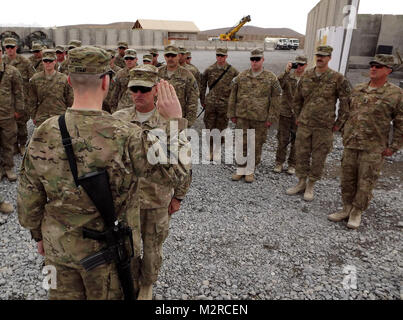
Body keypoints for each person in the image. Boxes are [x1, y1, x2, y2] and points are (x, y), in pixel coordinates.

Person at [17, 46, 190, 300]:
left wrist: (38, 235)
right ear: (106, 82)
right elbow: (177, 172)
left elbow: (28, 199)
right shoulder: (126, 133)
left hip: (58, 252)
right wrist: (175, 121)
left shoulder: (44, 131)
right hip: (108, 257)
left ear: (68, 80)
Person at [113, 64, 191, 300]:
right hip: (127, 200)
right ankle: (131, 280)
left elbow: (184, 162)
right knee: (128, 245)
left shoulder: (168, 120)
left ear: (156, 90)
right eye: (134, 89)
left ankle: (147, 284)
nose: (138, 94)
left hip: (157, 198)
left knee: (152, 247)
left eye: (144, 89)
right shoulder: (119, 118)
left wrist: (178, 196)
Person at [328, 54, 402, 229]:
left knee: (366, 180)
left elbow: (400, 122)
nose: (373, 69)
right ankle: (346, 208)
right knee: (347, 178)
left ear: (388, 71)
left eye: (379, 66)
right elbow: (348, 112)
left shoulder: (395, 94)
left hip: (373, 147)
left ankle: (357, 212)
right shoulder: (359, 89)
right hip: (352, 143)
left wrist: (394, 146)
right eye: (372, 65)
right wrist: (343, 131)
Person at [286, 45, 351, 201]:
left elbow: (345, 102)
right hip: (305, 124)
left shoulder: (337, 78)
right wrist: (298, 115)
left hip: (324, 126)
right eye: (318, 55)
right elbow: (297, 99)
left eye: (323, 55)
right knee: (301, 153)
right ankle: (301, 182)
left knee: (319, 157)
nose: (320, 58)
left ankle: (311, 185)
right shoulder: (307, 76)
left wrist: (339, 123)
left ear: (329, 58)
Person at [227, 48, 281, 183]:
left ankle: (250, 170)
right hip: (243, 117)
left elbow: (276, 99)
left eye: (258, 59)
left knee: (256, 145)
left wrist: (272, 118)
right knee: (241, 143)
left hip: (260, 118)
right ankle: (240, 168)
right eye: (253, 59)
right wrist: (231, 113)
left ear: (263, 60)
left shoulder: (271, 78)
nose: (255, 62)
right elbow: (233, 95)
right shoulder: (242, 76)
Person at [200, 48, 239, 160]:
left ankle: (217, 150)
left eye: (222, 56)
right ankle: (210, 150)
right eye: (218, 55)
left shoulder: (233, 71)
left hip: (224, 105)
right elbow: (202, 86)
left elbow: (238, 87)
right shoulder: (209, 70)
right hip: (210, 104)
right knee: (209, 127)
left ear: (226, 56)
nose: (220, 58)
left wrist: (234, 103)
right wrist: (202, 100)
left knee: (221, 128)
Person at [274, 56, 308, 175]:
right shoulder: (288, 77)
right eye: (297, 64)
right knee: (282, 138)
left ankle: (292, 164)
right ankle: (279, 162)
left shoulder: (308, 79)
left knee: (296, 140)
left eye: (302, 65)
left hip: (300, 115)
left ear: (306, 66)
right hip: (285, 113)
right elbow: (277, 85)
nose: (299, 67)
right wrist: (286, 71)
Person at [3, 37, 35, 155]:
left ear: (16, 47)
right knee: (9, 125)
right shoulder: (2, 62)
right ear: (5, 48)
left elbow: (33, 78)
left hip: (22, 98)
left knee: (21, 123)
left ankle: (22, 144)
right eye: (8, 47)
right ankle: (13, 146)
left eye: (12, 47)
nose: (10, 49)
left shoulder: (24, 61)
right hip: (6, 99)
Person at [27, 49, 73, 126]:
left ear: (55, 61)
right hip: (42, 117)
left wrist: (69, 115)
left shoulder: (64, 79)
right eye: (45, 61)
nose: (48, 63)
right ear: (42, 62)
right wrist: (33, 116)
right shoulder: (36, 78)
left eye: (50, 61)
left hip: (60, 116)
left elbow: (70, 99)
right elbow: (32, 99)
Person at [158, 45, 199, 127]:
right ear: (164, 57)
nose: (170, 58)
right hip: (159, 119)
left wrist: (188, 122)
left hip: (178, 118)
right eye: (167, 56)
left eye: (173, 55)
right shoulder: (157, 73)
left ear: (178, 56)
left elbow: (193, 100)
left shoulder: (187, 75)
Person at [0, 45, 24, 182]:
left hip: (7, 115)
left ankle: (8, 167)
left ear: (2, 53)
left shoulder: (12, 71)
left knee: (8, 143)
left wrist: (18, 110)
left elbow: (19, 92)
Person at [109, 49, 138, 113]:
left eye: (131, 58)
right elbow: (115, 93)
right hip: (122, 108)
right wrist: (113, 109)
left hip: (137, 108)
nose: (129, 61)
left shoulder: (142, 73)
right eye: (126, 59)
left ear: (136, 59)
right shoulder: (120, 74)